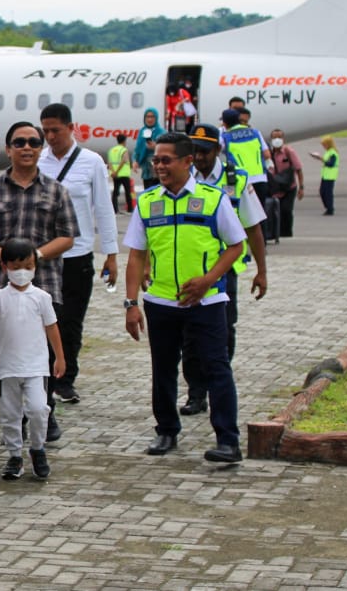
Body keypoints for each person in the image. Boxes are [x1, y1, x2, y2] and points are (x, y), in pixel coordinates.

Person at [123, 132, 247, 463]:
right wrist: (131, 304)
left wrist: (208, 280)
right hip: (161, 302)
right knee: (163, 368)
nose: (159, 167)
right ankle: (166, 430)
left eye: (166, 160)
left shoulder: (213, 199)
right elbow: (136, 256)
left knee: (216, 367)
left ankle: (228, 441)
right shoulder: (147, 201)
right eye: (156, 161)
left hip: (206, 302)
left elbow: (236, 245)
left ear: (188, 161)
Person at [0, 121, 78, 431]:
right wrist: (9, 261)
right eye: (20, 142)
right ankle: (13, 418)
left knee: (45, 350)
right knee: (10, 350)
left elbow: (67, 236)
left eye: (34, 142)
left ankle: (45, 412)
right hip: (3, 285)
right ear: (8, 149)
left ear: (41, 148)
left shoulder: (56, 191)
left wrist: (33, 257)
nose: (27, 147)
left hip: (45, 283)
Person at [179, 124, 268, 416]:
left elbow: (253, 228)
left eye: (205, 151)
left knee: (223, 331)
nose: (199, 157)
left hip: (225, 271)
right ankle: (196, 393)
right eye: (194, 151)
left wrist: (262, 271)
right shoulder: (184, 178)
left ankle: (217, 381)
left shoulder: (237, 180)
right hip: (191, 269)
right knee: (190, 335)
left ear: (218, 150)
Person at [38, 103, 119, 414]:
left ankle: (66, 378)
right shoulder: (39, 161)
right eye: (45, 131)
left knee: (71, 321)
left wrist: (111, 253)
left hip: (78, 254)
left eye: (56, 130)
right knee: (46, 319)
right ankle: (44, 375)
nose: (50, 137)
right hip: (46, 255)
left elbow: (104, 208)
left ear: (71, 128)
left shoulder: (91, 162)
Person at [0, 238, 66, 481]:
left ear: (35, 266)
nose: (22, 272)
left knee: (38, 409)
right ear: (5, 267)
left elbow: (52, 327)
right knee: (10, 414)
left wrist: (59, 357)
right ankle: (15, 455)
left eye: (27, 266)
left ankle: (38, 448)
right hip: (9, 367)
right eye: (16, 267)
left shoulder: (42, 297)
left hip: (36, 366)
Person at [267, 129, 304, 238]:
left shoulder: (288, 152)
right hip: (275, 187)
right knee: (274, 210)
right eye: (274, 137)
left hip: (289, 187)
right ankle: (276, 232)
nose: (277, 140)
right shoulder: (268, 153)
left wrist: (301, 187)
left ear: (283, 139)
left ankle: (287, 233)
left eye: (279, 137)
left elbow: (298, 169)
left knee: (286, 210)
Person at [133, 107, 164, 190]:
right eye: (147, 117)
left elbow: (167, 148)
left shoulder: (161, 132)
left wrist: (156, 147)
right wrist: (135, 160)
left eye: (152, 117)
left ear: (156, 118)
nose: (149, 119)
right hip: (146, 170)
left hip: (158, 170)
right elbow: (138, 148)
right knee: (147, 191)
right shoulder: (142, 131)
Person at [310, 135, 340, 215]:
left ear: (328, 144)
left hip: (330, 176)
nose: (323, 146)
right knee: (322, 192)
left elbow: (331, 164)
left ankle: (330, 208)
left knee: (328, 193)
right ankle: (328, 207)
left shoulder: (333, 153)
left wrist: (320, 158)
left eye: (324, 144)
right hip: (325, 175)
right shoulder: (328, 152)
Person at [107, 134, 133, 213]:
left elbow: (109, 162)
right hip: (124, 174)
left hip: (115, 175)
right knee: (127, 192)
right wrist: (117, 171)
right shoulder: (124, 150)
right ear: (124, 141)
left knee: (115, 192)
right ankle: (130, 209)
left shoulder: (111, 150)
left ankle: (115, 209)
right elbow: (124, 160)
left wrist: (113, 172)